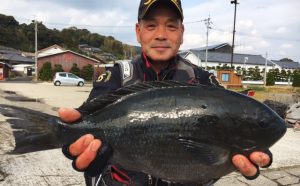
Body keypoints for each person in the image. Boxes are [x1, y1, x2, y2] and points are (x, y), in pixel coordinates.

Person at [59, 0, 272, 185]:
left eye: (171, 26)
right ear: (138, 31)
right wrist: (70, 138)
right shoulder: (116, 76)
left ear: (182, 32)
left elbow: (231, 121)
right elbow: (85, 120)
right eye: (151, 25)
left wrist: (257, 143)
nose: (161, 35)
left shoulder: (204, 81)